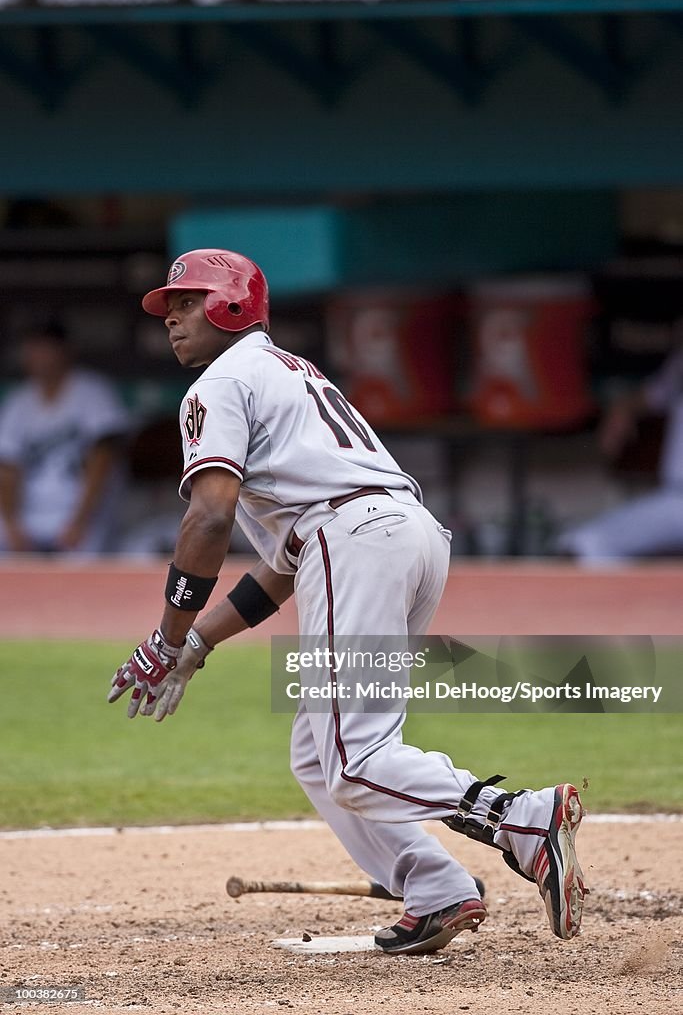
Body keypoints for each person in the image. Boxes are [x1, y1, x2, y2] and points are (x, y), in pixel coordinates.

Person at [108, 250, 586, 954]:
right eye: (170, 304)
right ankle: (435, 889)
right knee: (318, 751)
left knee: (355, 756)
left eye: (186, 300)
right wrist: (196, 643)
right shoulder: (290, 372)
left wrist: (163, 635)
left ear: (229, 306)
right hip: (406, 537)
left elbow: (208, 519)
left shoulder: (220, 384)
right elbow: (278, 568)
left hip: (355, 540)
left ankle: (520, 817)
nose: (171, 315)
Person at [0, 321, 129, 554]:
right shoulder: (18, 401)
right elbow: (7, 467)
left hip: (83, 513)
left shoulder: (92, 392)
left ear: (64, 350)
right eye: (32, 347)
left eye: (44, 347)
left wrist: (79, 521)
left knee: (81, 574)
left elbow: (103, 458)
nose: (37, 355)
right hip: (31, 513)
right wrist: (12, 523)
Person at [557, 340, 683, 562]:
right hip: (675, 500)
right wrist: (622, 410)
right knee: (585, 544)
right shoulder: (679, 364)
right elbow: (647, 397)